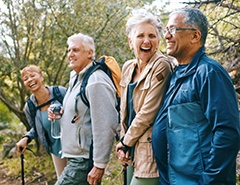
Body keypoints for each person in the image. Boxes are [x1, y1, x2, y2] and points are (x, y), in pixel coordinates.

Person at [152, 7, 240, 185]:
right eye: (166, 30)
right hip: (174, 179)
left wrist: (209, 180)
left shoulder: (209, 72)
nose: (167, 36)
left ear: (195, 36)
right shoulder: (177, 74)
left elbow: (227, 131)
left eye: (173, 29)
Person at [48, 33, 119, 185]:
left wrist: (99, 165)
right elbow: (81, 109)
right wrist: (61, 111)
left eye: (75, 50)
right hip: (74, 157)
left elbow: (106, 125)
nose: (70, 54)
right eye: (68, 50)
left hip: (83, 161)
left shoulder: (96, 80)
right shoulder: (76, 77)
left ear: (90, 53)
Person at [115, 10, 173, 185]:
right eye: (140, 35)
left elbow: (148, 113)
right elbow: (124, 110)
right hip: (131, 148)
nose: (147, 41)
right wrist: (124, 143)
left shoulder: (162, 65)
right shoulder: (127, 67)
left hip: (150, 151)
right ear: (130, 42)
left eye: (152, 36)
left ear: (158, 41)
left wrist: (125, 141)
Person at [16, 64, 67, 178]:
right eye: (25, 79)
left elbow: (77, 110)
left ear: (41, 77)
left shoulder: (60, 92)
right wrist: (26, 138)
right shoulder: (30, 107)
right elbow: (36, 128)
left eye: (33, 75)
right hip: (56, 151)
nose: (30, 80)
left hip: (75, 146)